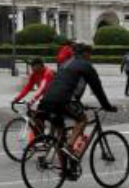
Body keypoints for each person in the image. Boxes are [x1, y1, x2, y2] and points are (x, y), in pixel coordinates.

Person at [37, 43, 116, 179]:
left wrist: (78, 103)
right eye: (89, 54)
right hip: (64, 100)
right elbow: (97, 89)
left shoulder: (65, 63)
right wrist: (107, 106)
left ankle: (66, 170)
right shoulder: (85, 65)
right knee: (82, 120)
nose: (90, 57)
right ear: (85, 54)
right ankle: (69, 147)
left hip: (47, 101)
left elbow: (64, 85)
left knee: (59, 136)